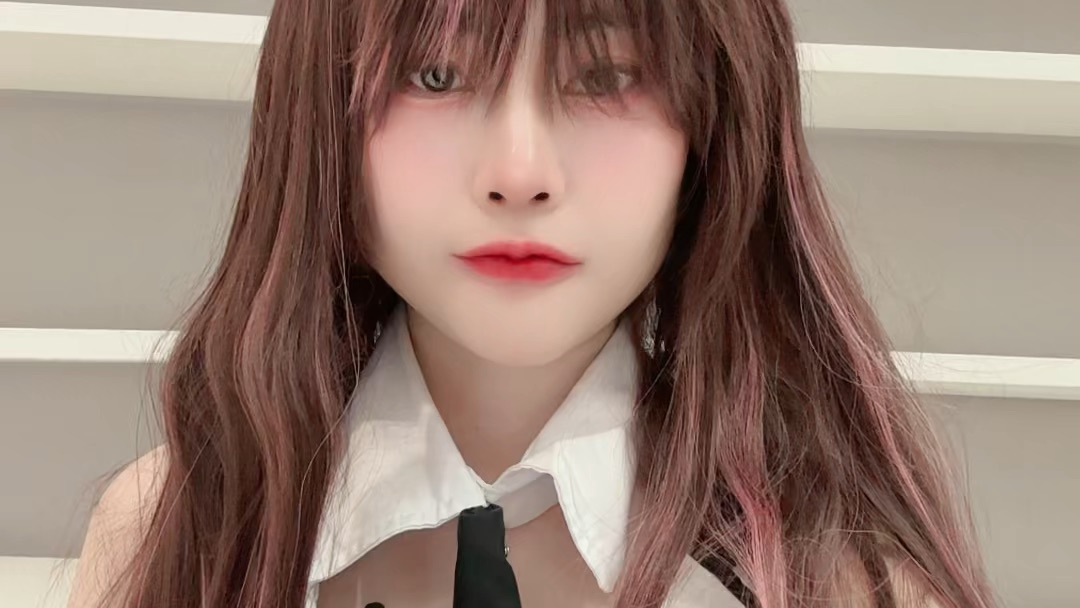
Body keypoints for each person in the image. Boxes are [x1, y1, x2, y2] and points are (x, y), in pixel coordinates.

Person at [68, 0, 997, 606]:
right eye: (436, 74)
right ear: (322, 119)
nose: (520, 173)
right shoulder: (176, 532)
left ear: (713, 126)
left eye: (605, 76)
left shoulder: (841, 580)